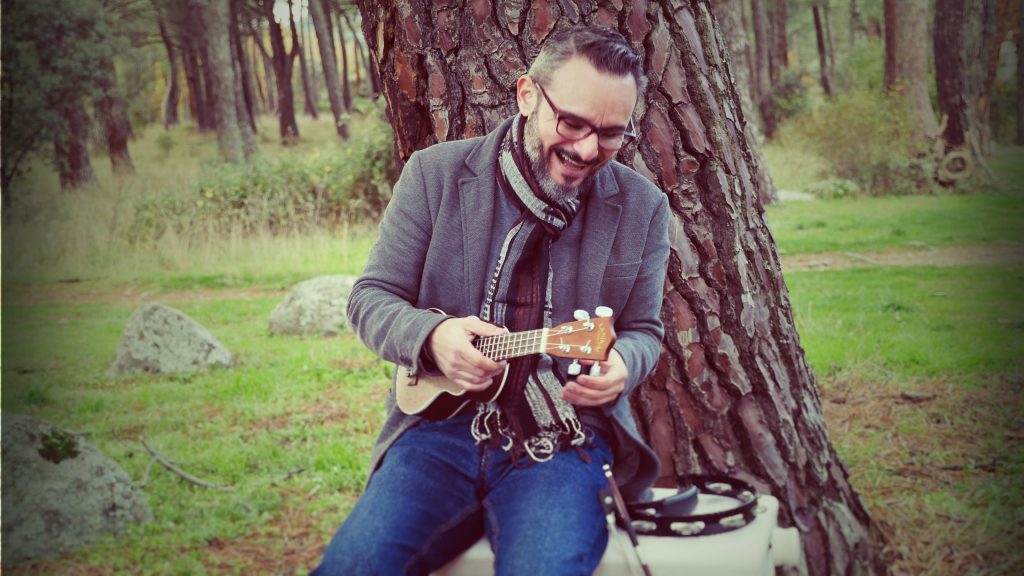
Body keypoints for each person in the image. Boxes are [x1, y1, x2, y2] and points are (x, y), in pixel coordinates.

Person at [312, 25, 670, 576]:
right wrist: (433, 338)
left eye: (610, 133)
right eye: (572, 122)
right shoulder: (433, 176)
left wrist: (623, 362)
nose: (586, 149)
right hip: (436, 432)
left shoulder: (643, 207)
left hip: (563, 437)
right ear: (527, 95)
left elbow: (645, 329)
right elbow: (371, 299)